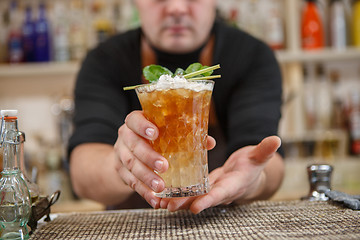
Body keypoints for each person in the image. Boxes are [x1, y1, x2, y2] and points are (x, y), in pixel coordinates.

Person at [68, 0, 284, 214]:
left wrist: (255, 178)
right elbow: (82, 172)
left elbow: (268, 161)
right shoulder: (105, 60)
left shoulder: (251, 55)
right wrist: (120, 165)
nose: (176, 8)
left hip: (225, 223)